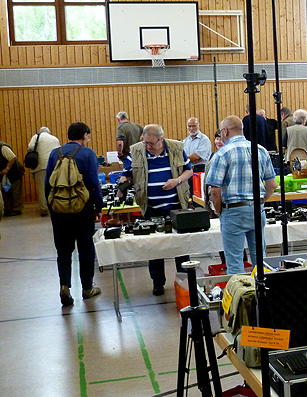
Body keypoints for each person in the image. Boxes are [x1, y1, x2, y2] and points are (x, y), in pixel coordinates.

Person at [119, 124, 193, 295]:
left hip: (176, 207)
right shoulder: (136, 150)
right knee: (154, 247)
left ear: (161, 140)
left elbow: (189, 171)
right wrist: (123, 181)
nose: (148, 146)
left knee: (180, 246)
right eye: (145, 143)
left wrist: (176, 181)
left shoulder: (176, 148)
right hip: (150, 208)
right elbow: (126, 172)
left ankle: (184, 281)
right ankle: (158, 282)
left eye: (151, 144)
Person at [206, 115, 277, 273]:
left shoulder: (222, 154)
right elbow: (272, 185)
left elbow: (215, 191)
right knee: (261, 261)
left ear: (225, 131)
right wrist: (259, 202)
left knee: (235, 263)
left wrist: (219, 211)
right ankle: (264, 295)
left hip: (233, 211)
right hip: (257, 210)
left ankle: (241, 296)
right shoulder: (260, 150)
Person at [45, 122, 103, 306]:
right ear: (84, 135)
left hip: (59, 209)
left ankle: (65, 286)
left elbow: (48, 183)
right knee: (86, 248)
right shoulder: (88, 154)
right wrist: (98, 207)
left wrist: (53, 207)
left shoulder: (56, 153)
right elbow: (94, 184)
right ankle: (87, 288)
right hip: (82, 209)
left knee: (63, 250)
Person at [27, 127, 60, 217]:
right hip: (54, 165)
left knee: (42, 188)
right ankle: (56, 206)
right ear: (49, 132)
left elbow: (30, 147)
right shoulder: (55, 139)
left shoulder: (36, 137)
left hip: (40, 166)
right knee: (55, 187)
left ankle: (44, 209)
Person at [0, 139, 24, 216]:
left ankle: (16, 209)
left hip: (14, 172)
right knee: (6, 192)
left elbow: (12, 158)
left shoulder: (2, 147)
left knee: (15, 191)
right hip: (5, 174)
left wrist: (7, 168)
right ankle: (8, 209)